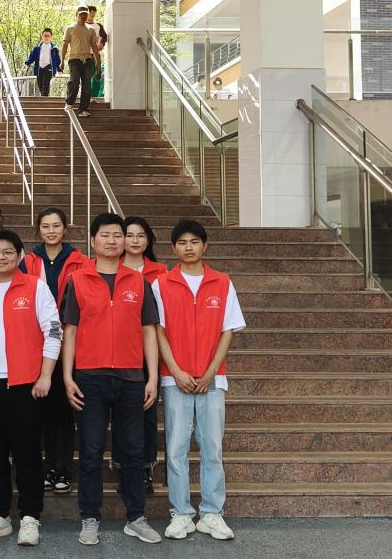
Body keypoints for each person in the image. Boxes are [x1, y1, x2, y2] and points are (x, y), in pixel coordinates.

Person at [60, 212, 162, 546]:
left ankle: (136, 517)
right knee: (91, 451)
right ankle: (90, 517)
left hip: (132, 378)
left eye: (118, 235)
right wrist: (67, 376)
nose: (112, 240)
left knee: (133, 451)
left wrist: (152, 377)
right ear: (93, 241)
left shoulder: (139, 282)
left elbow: (149, 331)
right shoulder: (78, 280)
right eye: (105, 235)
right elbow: (70, 331)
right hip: (89, 377)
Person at [0, 230, 62, 548]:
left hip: (24, 384)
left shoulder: (35, 287)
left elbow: (53, 331)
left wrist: (45, 375)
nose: (1, 257)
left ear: (20, 255)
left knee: (27, 454)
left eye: (8, 251)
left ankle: (30, 516)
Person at [154, 219, 245, 542]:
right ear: (173, 248)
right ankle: (181, 513)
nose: (188, 247)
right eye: (182, 242)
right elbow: (158, 332)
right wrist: (175, 370)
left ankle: (211, 513)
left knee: (212, 447)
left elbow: (228, 331)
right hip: (174, 379)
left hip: (212, 379)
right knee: (176, 448)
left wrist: (210, 371)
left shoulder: (222, 282)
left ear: (205, 246)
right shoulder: (162, 284)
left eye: (194, 241)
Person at [20, 207, 86, 495]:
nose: (51, 231)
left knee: (64, 410)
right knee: (41, 410)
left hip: (70, 341)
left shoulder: (80, 261)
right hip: (38, 343)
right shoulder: (28, 261)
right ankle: (46, 469)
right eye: (45, 226)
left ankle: (63, 469)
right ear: (38, 230)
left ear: (65, 229)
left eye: (56, 226)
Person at [112, 216, 167, 495]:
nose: (134, 240)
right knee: (120, 413)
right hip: (117, 350)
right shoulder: (110, 268)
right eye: (129, 235)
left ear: (149, 240)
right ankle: (122, 466)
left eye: (140, 235)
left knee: (146, 412)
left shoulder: (161, 272)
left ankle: (145, 468)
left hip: (149, 351)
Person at [59, 7, 101, 117]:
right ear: (76, 15)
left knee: (87, 85)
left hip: (88, 60)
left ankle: (83, 109)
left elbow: (94, 47)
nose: (83, 16)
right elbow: (65, 45)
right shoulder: (70, 28)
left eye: (85, 14)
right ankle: (69, 102)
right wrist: (62, 61)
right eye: (81, 14)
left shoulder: (91, 30)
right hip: (74, 59)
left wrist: (98, 63)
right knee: (75, 81)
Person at [24, 28, 62, 97]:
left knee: (45, 83)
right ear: (42, 36)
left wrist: (59, 69)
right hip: (39, 68)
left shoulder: (54, 49)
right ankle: (44, 96)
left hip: (49, 67)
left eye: (48, 36)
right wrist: (27, 63)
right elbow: (32, 56)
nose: (46, 37)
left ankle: (44, 97)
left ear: (51, 37)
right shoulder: (37, 48)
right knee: (40, 83)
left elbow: (57, 59)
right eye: (45, 36)